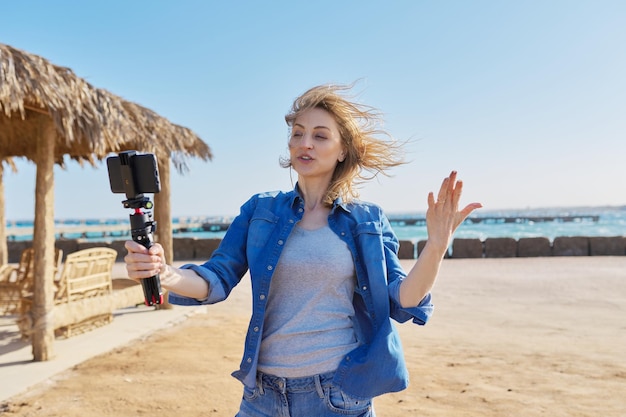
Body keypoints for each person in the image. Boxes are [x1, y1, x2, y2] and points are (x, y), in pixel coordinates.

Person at [125, 83, 482, 417]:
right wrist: (167, 274)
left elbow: (402, 299)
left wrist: (435, 248)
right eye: (297, 134)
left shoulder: (366, 220)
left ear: (343, 150)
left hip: (335, 395)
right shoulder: (260, 211)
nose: (304, 143)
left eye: (319, 135)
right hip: (261, 397)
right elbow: (217, 278)